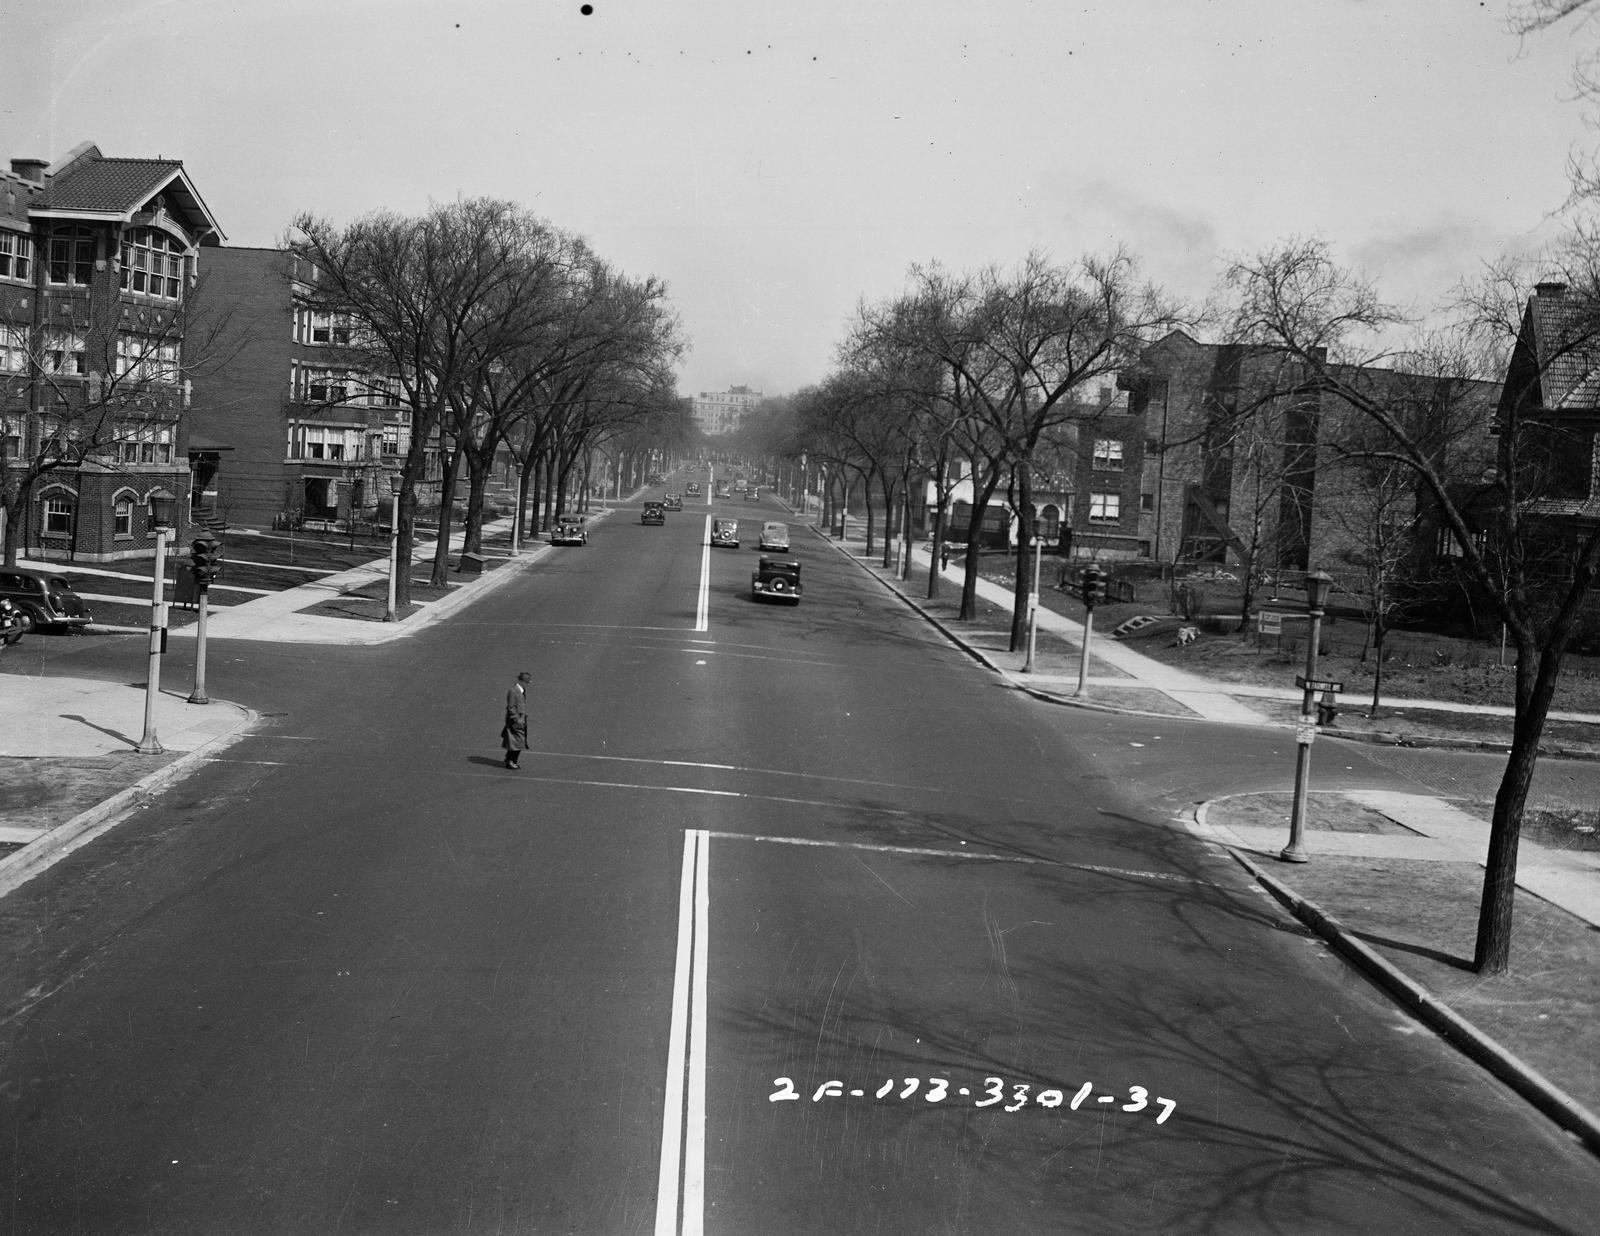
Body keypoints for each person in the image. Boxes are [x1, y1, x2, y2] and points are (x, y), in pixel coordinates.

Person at [502, 671, 531, 769]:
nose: (528, 684)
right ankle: (511, 761)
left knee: (516, 742)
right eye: (527, 682)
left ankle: (510, 759)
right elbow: (511, 708)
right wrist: (517, 719)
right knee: (517, 743)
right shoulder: (513, 691)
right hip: (515, 722)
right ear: (522, 681)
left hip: (520, 720)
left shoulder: (521, 690)